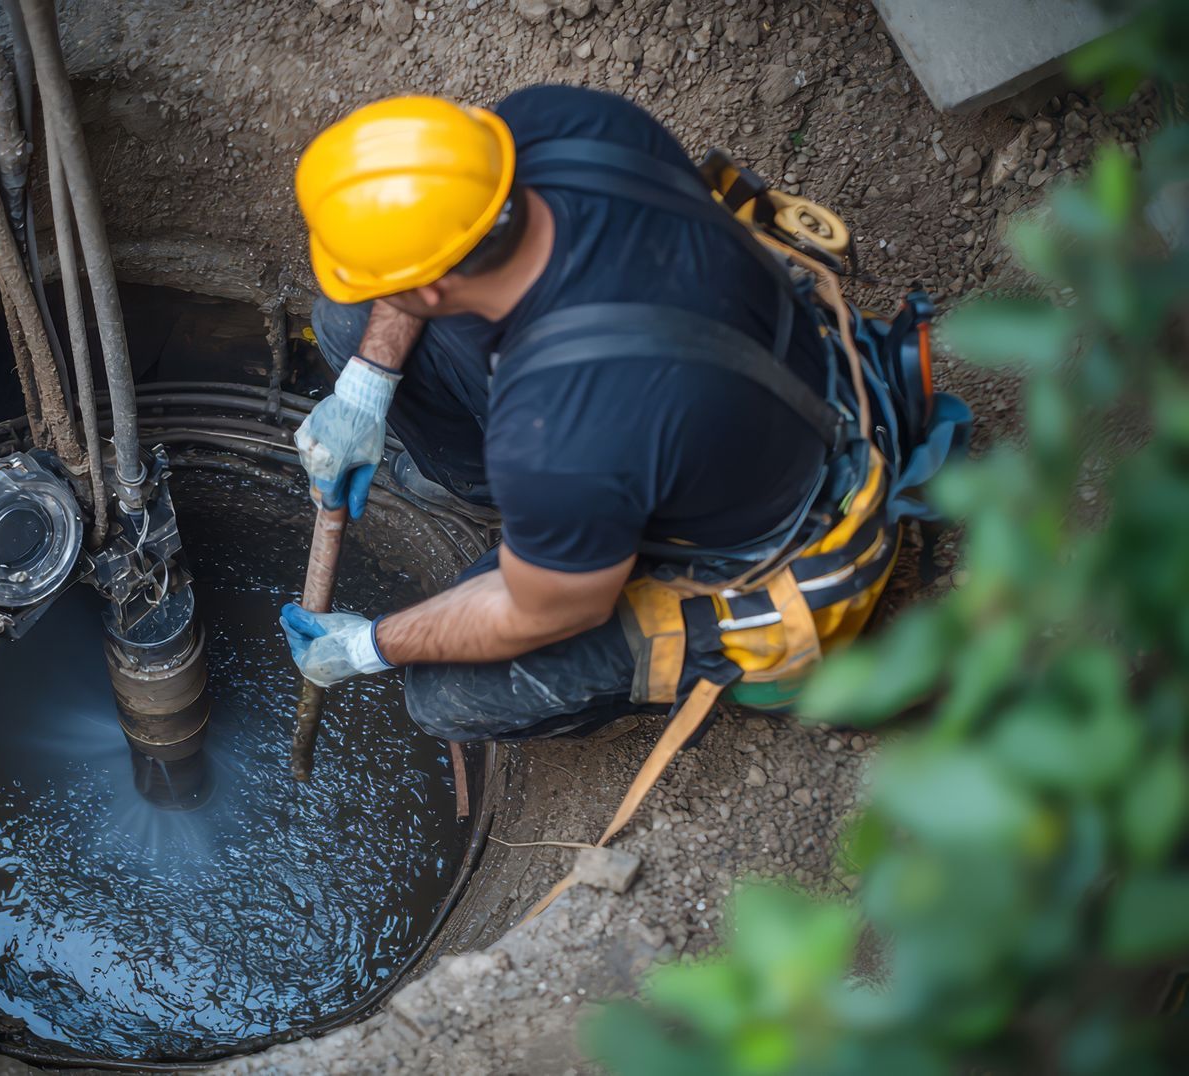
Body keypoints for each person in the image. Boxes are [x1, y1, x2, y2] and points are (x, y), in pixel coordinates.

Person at [278, 85, 884, 742]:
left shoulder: (559, 441)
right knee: (352, 325)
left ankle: (673, 670)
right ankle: (505, 507)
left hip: (759, 525)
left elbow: (538, 615)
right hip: (729, 363)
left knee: (442, 694)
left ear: (430, 284)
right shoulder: (556, 123)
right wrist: (364, 388)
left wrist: (370, 645)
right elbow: (432, 253)